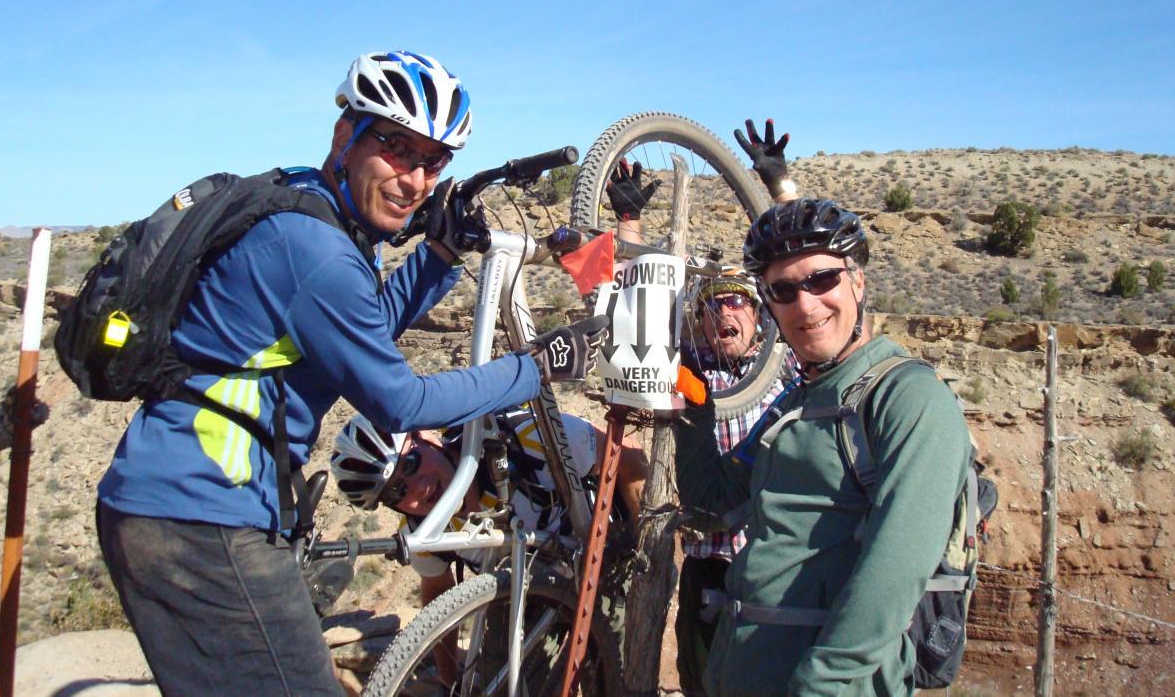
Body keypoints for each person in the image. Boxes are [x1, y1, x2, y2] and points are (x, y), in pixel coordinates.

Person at [96, 50, 605, 696]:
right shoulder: (316, 249)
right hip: (204, 513)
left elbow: (360, 329)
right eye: (397, 149)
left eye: (434, 161)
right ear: (347, 135)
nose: (416, 179)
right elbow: (399, 400)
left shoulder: (306, 203)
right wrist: (538, 368)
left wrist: (439, 255)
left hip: (181, 502)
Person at [674, 197, 972, 695]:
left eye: (822, 280)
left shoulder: (907, 398)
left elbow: (890, 581)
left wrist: (819, 687)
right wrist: (694, 409)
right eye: (784, 290)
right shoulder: (797, 401)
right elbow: (711, 500)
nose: (805, 304)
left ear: (858, 279)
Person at [605, 119, 801, 696]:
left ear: (760, 313)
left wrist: (780, 187)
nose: (726, 316)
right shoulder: (691, 361)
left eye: (739, 302)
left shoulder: (785, 363)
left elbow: (813, 273)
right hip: (707, 561)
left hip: (774, 563)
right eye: (714, 305)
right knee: (700, 685)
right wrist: (628, 219)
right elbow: (635, 308)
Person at [330, 408, 647, 612]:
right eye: (398, 491)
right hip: (529, 599)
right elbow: (438, 594)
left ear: (423, 436)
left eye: (411, 463)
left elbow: (630, 460)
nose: (419, 486)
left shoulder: (533, 438)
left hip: (606, 561)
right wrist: (448, 679)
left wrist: (640, 541)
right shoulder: (420, 534)